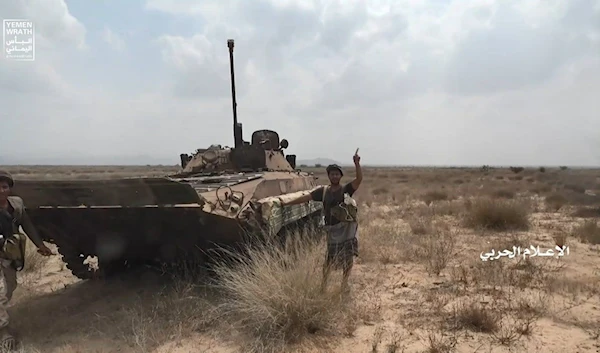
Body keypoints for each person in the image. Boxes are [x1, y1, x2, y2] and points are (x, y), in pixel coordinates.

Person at [280, 150, 362, 293]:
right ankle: (323, 285)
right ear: (329, 176)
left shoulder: (346, 190)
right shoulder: (323, 191)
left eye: (337, 174)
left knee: (347, 259)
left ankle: (344, 284)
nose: (334, 176)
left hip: (346, 229)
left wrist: (357, 164)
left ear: (340, 176)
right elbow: (306, 198)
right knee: (329, 260)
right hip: (332, 230)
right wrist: (287, 203)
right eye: (332, 174)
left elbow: (359, 180)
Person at [0, 170, 53, 350]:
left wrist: (40, 244)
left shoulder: (16, 205)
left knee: (9, 287)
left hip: (9, 255)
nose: (1, 191)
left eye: (4, 187)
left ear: (9, 188)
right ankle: (3, 332)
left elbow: (26, 224)